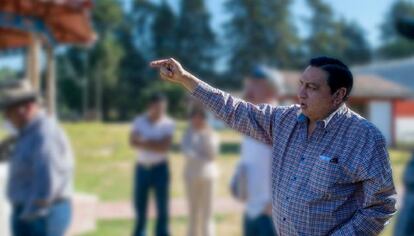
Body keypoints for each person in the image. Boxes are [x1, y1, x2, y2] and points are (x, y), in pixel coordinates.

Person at [150, 57, 397, 235]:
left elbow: (382, 204)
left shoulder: (364, 137)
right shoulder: (285, 120)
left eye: (312, 88)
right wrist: (185, 79)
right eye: (301, 84)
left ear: (338, 95)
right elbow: (235, 110)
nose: (301, 93)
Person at [0, 79, 74, 236]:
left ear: (26, 108)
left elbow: (47, 178)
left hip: (40, 214)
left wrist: (32, 213)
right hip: (29, 211)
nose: (6, 116)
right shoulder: (27, 133)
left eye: (9, 110)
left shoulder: (44, 133)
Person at [237, 66, 279, 236]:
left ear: (271, 88)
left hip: (269, 214)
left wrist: (273, 205)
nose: (250, 88)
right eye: (250, 83)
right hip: (251, 210)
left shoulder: (279, 120)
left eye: (257, 84)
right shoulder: (250, 119)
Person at [130, 93, 175, 236]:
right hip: (142, 169)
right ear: (150, 106)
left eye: (162, 108)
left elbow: (165, 147)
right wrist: (155, 143)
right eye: (157, 108)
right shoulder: (139, 121)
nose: (160, 111)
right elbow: (132, 142)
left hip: (160, 169)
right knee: (140, 208)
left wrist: (144, 142)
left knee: (162, 209)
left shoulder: (168, 123)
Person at [181, 107, 219, 236]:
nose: (197, 120)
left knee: (207, 213)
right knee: (193, 211)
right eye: (195, 117)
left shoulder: (210, 134)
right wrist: (202, 156)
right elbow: (188, 152)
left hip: (208, 176)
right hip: (191, 175)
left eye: (200, 117)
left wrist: (205, 134)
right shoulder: (188, 134)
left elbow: (213, 154)